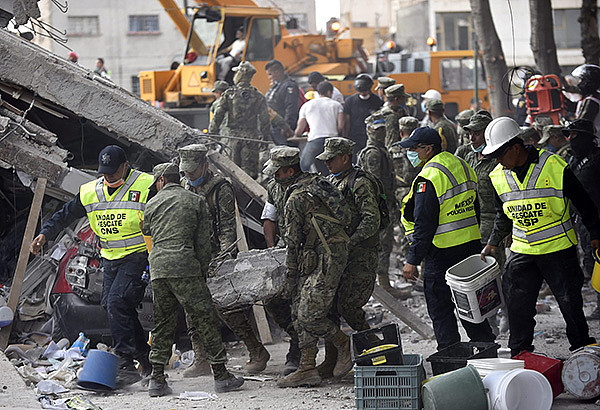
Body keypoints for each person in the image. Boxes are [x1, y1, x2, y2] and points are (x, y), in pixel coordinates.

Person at [30, 145, 153, 385]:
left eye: (113, 172)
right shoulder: (91, 191)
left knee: (118, 301)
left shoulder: (146, 185)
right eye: (104, 172)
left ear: (125, 166)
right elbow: (65, 214)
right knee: (111, 305)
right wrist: (45, 234)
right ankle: (146, 360)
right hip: (110, 257)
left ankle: (125, 362)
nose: (108, 177)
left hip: (138, 256)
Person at [481, 117, 600, 357]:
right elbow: (502, 214)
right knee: (517, 306)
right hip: (523, 250)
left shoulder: (554, 166)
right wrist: (493, 242)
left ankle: (583, 354)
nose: (498, 161)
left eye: (500, 154)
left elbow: (584, 203)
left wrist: (596, 234)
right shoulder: (498, 176)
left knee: (570, 305)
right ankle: (520, 354)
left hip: (558, 249)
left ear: (516, 147)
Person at [142, 163, 244, 396]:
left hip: (158, 269)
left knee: (162, 324)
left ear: (160, 181)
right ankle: (221, 375)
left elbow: (148, 230)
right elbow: (203, 243)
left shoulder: (152, 204)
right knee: (205, 319)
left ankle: (156, 379)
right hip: (185, 266)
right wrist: (202, 268)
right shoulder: (195, 201)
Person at [263, 148, 354, 388]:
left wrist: (290, 279)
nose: (274, 178)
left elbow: (292, 245)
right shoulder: (318, 183)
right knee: (298, 311)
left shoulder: (295, 199)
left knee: (308, 315)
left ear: (289, 171)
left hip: (327, 257)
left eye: (277, 173)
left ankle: (344, 344)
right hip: (322, 253)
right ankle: (307, 367)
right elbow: (346, 215)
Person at [177, 144, 271, 376]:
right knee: (192, 309)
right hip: (192, 255)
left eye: (193, 170)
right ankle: (202, 359)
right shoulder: (183, 185)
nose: (189, 175)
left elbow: (228, 226)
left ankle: (257, 351)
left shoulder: (220, 188)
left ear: (205, 166)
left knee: (226, 308)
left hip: (214, 255)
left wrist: (223, 258)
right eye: (185, 171)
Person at [399, 128, 496, 350]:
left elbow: (424, 223)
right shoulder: (462, 165)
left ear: (428, 149)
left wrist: (412, 260)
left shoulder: (429, 176)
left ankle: (450, 353)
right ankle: (485, 349)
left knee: (440, 306)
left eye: (414, 149)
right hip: (470, 246)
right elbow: (475, 206)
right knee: (470, 301)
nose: (411, 153)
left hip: (442, 251)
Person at [316, 137, 381, 378]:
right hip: (339, 256)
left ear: (346, 158)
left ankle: (375, 350)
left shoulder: (360, 183)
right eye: (326, 160)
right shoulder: (333, 180)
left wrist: (349, 242)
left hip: (360, 256)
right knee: (330, 305)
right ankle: (332, 359)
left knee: (349, 305)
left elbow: (371, 220)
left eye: (331, 159)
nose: (327, 164)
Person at [357, 119, 404, 298]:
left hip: (385, 203)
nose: (381, 133)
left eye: (383, 129)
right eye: (377, 130)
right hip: (379, 206)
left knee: (386, 243)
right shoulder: (373, 154)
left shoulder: (380, 150)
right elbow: (374, 184)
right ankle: (383, 285)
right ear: (369, 130)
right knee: (383, 244)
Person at [562, 119, 600, 319]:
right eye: (569, 135)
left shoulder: (597, 159)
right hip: (582, 221)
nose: (571, 140)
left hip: (598, 218)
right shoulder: (573, 160)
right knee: (590, 263)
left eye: (575, 135)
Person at [209, 61, 271, 179]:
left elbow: (217, 117)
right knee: (250, 176)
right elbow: (265, 120)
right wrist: (265, 138)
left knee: (230, 172)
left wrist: (213, 137)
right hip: (251, 139)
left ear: (239, 75)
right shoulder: (258, 96)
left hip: (231, 139)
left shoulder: (228, 94)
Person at [296, 81, 344, 175]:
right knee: (333, 168)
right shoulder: (336, 105)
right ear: (330, 92)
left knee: (303, 167)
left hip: (315, 140)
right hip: (332, 140)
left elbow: (299, 128)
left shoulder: (307, 105)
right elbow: (340, 126)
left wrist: (296, 135)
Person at [343, 74, 384, 155]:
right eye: (360, 91)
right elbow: (347, 121)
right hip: (355, 137)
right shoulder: (350, 101)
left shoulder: (377, 101)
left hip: (372, 138)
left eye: (365, 91)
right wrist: (346, 137)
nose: (363, 93)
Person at [265, 59, 301, 145]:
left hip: (282, 129)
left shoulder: (289, 85)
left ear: (277, 72)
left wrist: (287, 126)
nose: (269, 77)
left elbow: (291, 107)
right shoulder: (277, 85)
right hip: (274, 126)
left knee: (286, 152)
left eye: (270, 74)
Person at [572, 64, 600, 134]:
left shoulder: (591, 101)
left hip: (593, 143)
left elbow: (581, 124)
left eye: (581, 80)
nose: (578, 84)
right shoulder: (593, 97)